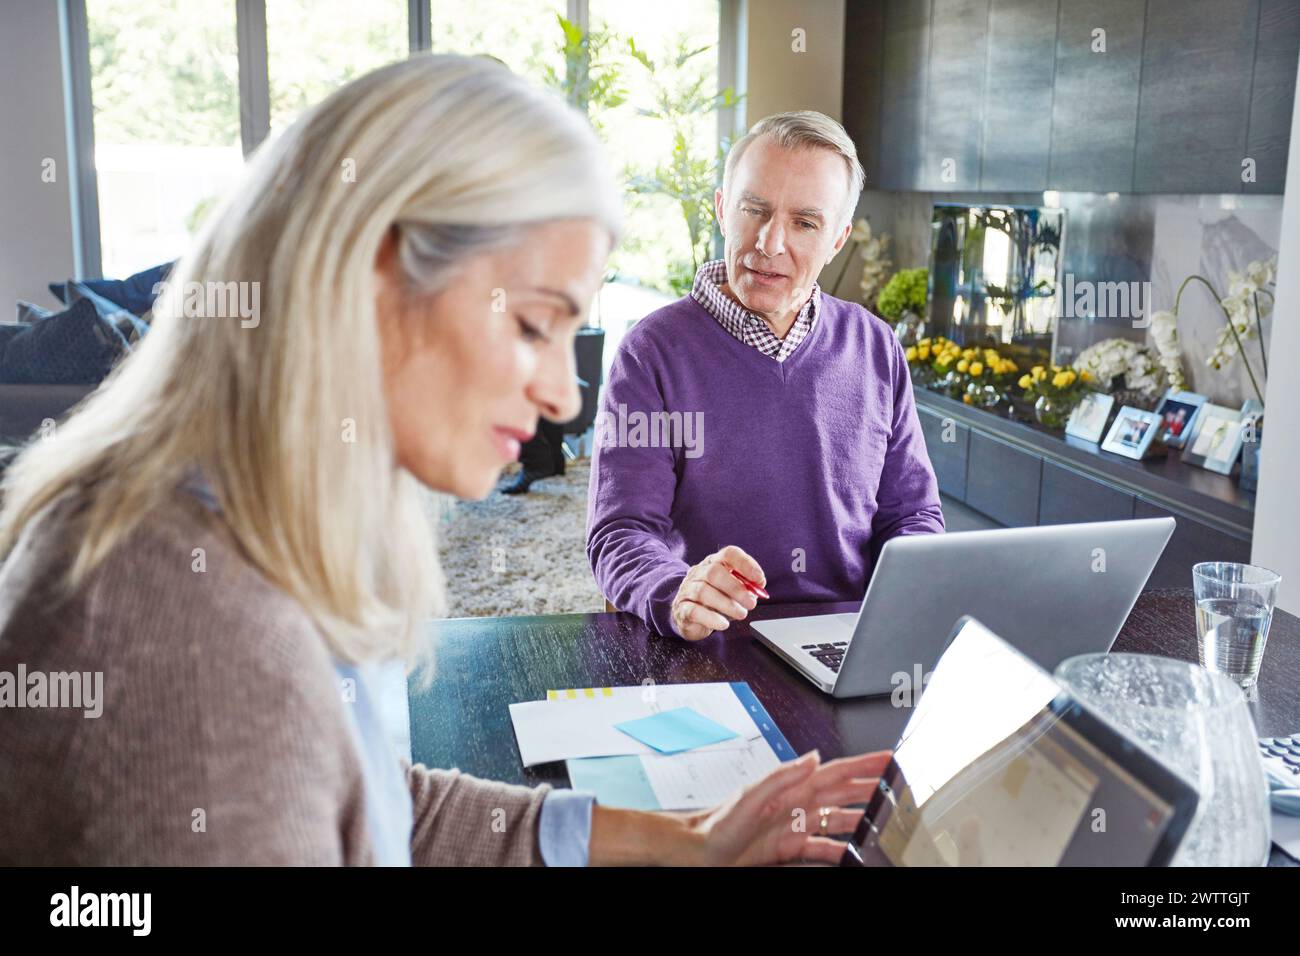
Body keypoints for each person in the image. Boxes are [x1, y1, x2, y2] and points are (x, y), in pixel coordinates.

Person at [0, 55, 885, 866]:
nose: (564, 398)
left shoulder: (264, 531)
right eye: (534, 324)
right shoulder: (179, 620)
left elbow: (375, 800)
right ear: (376, 281)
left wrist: (691, 839)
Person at [586, 111, 944, 641]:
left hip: (852, 640)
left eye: (805, 222)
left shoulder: (876, 347)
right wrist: (676, 591)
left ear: (837, 239)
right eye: (754, 210)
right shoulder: (652, 354)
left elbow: (912, 514)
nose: (770, 243)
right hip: (711, 645)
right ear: (722, 210)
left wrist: (914, 591)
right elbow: (623, 531)